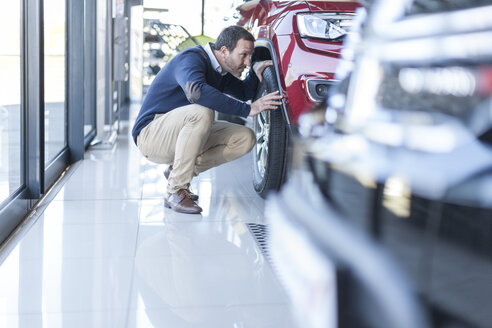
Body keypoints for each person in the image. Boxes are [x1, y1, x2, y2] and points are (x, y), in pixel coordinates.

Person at [132, 26, 283, 214]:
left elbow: (244, 92)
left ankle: (176, 173)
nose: (246, 62)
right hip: (150, 135)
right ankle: (175, 190)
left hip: (179, 132)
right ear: (224, 51)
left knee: (245, 137)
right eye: (243, 55)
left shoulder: (221, 72)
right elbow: (196, 92)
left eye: (249, 57)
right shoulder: (190, 59)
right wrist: (248, 109)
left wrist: (254, 70)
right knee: (202, 111)